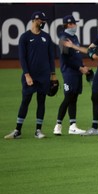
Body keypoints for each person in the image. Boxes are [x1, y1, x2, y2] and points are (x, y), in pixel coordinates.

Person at [4, 11, 57, 139]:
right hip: (30, 76)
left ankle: (38, 131)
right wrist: (27, 75)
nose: (44, 22)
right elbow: (22, 58)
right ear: (35, 20)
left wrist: (53, 74)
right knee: (25, 101)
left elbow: (51, 57)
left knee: (41, 102)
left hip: (44, 76)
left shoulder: (46, 37)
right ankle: (17, 130)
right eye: (42, 21)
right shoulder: (25, 37)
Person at [64, 17, 98, 136]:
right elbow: (89, 49)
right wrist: (86, 51)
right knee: (94, 97)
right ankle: (95, 127)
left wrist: (97, 56)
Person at [53, 15, 89, 135]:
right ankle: (58, 125)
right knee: (68, 97)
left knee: (74, 97)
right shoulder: (64, 38)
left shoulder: (74, 37)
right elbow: (66, 59)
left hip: (77, 72)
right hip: (69, 72)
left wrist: (82, 66)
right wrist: (79, 67)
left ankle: (72, 126)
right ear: (69, 24)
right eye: (74, 23)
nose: (75, 25)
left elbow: (76, 54)